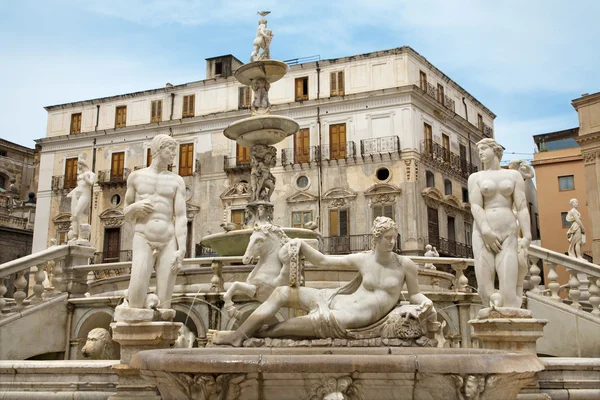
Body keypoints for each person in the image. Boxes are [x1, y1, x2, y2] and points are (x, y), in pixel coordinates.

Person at [214, 216, 434, 347]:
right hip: (337, 300)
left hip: (351, 318)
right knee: (281, 292)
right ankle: (238, 336)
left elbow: (415, 294)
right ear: (376, 239)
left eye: (394, 237)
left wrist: (425, 303)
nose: (392, 242)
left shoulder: (404, 264)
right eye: (388, 238)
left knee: (292, 327)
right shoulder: (363, 259)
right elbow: (322, 260)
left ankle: (247, 334)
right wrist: (300, 244)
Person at [123, 134, 187, 309]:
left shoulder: (176, 180)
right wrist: (134, 207)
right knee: (136, 297)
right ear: (159, 149)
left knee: (165, 303)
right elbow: (125, 212)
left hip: (168, 239)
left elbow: (181, 216)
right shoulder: (136, 177)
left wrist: (182, 249)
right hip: (143, 236)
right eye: (171, 150)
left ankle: (162, 332)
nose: (174, 154)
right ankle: (142, 301)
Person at [468, 138, 531, 309]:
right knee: (483, 286)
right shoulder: (476, 177)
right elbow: (475, 206)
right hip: (483, 233)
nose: (480, 152)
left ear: (495, 150)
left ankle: (510, 312)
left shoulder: (513, 175)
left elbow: (523, 207)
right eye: (478, 149)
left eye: (483, 148)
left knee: (508, 289)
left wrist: (527, 235)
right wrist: (486, 231)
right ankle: (490, 315)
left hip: (508, 231)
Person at [67, 157, 95, 241]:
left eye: (78, 164)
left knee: (77, 214)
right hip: (76, 193)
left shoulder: (91, 174)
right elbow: (79, 186)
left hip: (85, 194)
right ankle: (75, 236)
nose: (77, 166)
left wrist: (86, 178)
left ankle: (82, 236)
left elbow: (91, 184)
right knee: (74, 216)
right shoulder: (79, 175)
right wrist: (72, 192)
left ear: (82, 164)